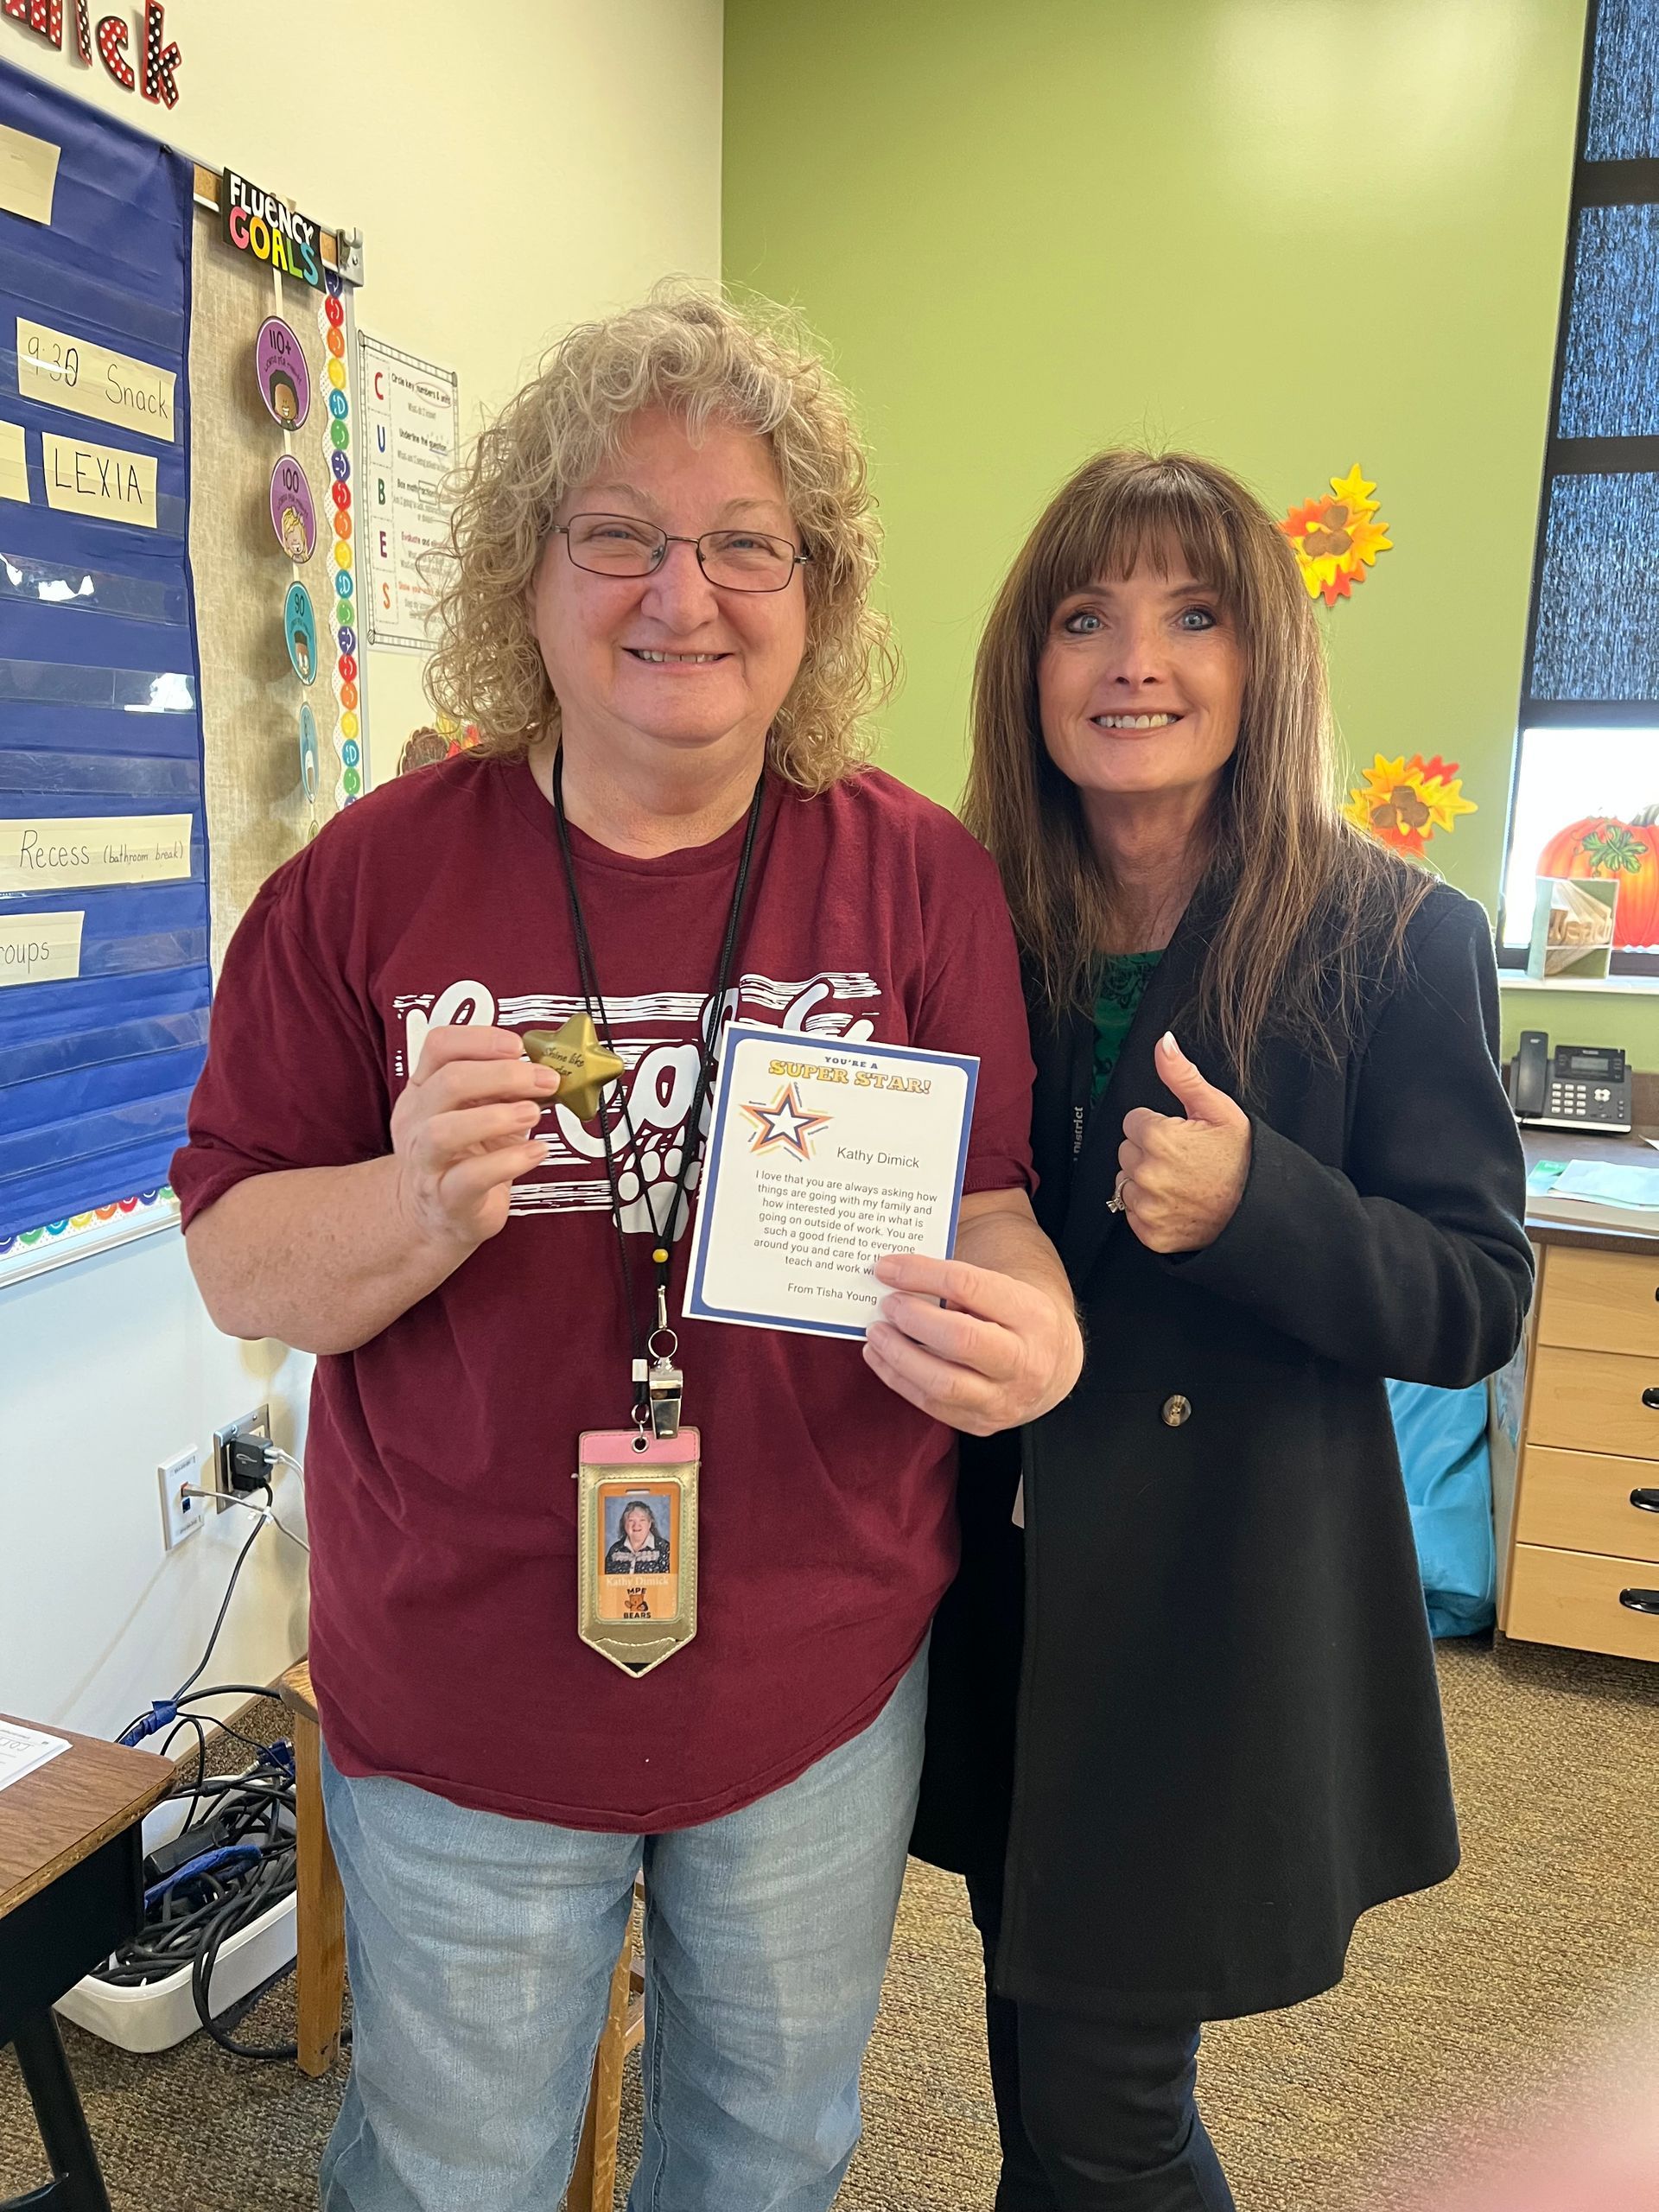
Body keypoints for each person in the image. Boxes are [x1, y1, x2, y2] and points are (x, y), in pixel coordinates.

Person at [173, 289, 1082, 2212]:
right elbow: (242, 1261)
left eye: (746, 542)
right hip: (469, 1682)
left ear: (815, 591)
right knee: (455, 2172)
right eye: (619, 535)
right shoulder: (369, 882)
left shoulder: (917, 875)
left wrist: (1038, 1335)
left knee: (768, 2155)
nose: (686, 593)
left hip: (816, 1677)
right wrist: (414, 1200)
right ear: (528, 573)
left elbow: (989, 1203)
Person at [912, 449, 1532, 2212]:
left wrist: (1264, 1204)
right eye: (1084, 617)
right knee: (1038, 2065)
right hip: (1006, 1593)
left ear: (1266, 660)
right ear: (1030, 665)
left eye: (1193, 615)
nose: (1136, 660)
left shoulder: (1394, 935)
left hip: (1208, 1613)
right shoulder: (976, 915)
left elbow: (1477, 1294)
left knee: (1104, 2118)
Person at [607, 1497, 671, 1575]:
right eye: (631, 1520)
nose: (636, 1525)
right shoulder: (615, 1550)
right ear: (624, 1524)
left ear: (650, 1523)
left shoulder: (665, 1548)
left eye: (642, 1520)